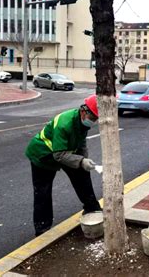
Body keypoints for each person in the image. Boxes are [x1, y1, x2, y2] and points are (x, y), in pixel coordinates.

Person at [25, 95, 102, 236]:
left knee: (83, 175)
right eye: (93, 118)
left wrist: (84, 160)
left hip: (64, 152)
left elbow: (81, 143)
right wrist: (80, 161)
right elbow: (58, 155)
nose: (94, 121)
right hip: (43, 155)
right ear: (83, 111)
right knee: (43, 192)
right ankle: (42, 229)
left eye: (96, 119)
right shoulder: (64, 123)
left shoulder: (82, 123)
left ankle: (92, 209)